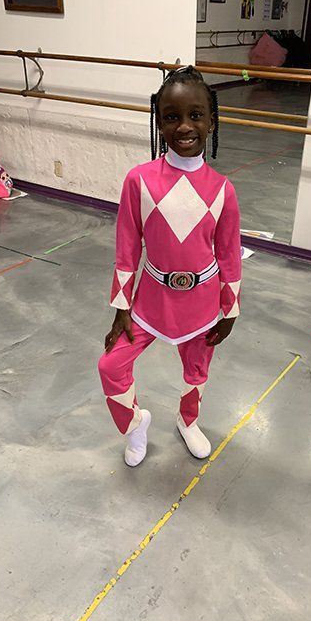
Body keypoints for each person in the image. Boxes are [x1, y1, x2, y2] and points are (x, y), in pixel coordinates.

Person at [98, 66, 242, 467]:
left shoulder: (223, 190)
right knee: (111, 365)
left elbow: (229, 254)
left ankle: (188, 420)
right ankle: (134, 425)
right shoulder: (139, 181)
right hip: (150, 300)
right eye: (172, 116)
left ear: (212, 121)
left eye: (196, 115)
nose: (185, 126)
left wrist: (230, 309)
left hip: (202, 302)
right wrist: (121, 307)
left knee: (197, 370)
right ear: (159, 123)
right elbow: (127, 247)